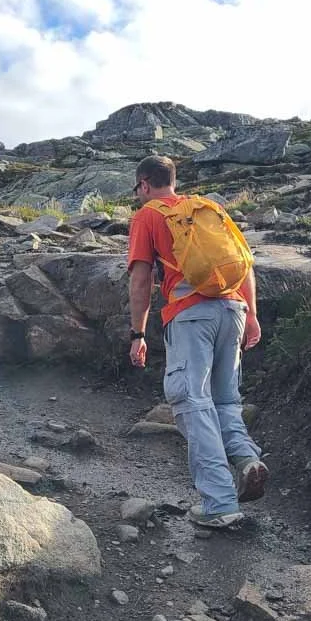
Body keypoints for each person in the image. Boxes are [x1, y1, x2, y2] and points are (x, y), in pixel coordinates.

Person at [126, 154, 269, 528]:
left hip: (192, 316)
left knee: (191, 402)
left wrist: (138, 334)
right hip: (232, 310)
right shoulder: (209, 208)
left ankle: (219, 504)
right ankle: (246, 459)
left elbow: (141, 281)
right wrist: (251, 315)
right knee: (224, 400)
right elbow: (244, 262)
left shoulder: (149, 215)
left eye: (137, 189)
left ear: (144, 184)